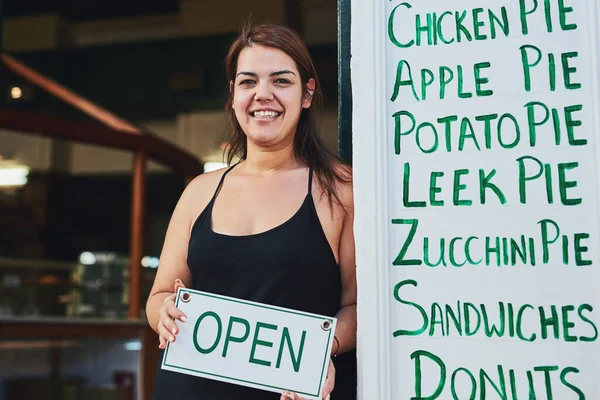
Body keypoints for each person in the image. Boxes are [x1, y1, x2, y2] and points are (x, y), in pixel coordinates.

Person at [146, 23, 357, 400]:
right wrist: (164, 310)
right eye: (248, 82)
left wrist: (322, 351)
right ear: (232, 94)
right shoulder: (199, 191)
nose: (263, 94)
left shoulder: (341, 189)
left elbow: (359, 307)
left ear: (307, 94)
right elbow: (161, 293)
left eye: (281, 81)